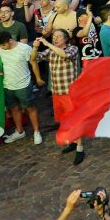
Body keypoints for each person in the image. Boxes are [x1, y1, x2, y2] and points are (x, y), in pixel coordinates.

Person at [34, 29, 84, 164]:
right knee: (64, 120)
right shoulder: (51, 51)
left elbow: (65, 55)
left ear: (66, 39)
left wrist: (47, 44)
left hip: (70, 92)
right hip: (57, 92)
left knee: (74, 121)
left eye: (59, 36)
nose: (55, 38)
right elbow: (34, 58)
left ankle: (80, 148)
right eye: (54, 36)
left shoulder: (73, 49)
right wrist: (35, 48)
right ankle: (73, 142)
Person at [0, 29, 42, 145]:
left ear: (10, 40)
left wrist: (38, 78)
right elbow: (0, 62)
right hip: (7, 85)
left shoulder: (24, 48)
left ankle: (36, 131)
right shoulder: (1, 49)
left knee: (30, 107)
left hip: (23, 84)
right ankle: (19, 131)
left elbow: (33, 63)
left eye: (3, 45)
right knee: (14, 108)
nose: (2, 48)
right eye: (0, 46)